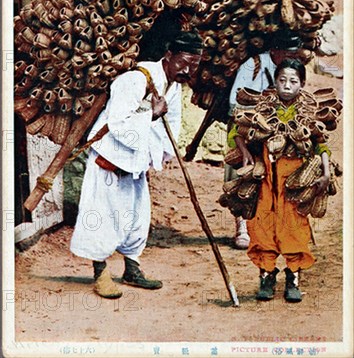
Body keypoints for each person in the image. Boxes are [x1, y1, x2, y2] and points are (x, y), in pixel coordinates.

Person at [70, 30, 203, 298]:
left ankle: (132, 269)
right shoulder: (135, 80)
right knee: (102, 218)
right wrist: (151, 115)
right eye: (184, 62)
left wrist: (164, 153)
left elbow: (171, 123)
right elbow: (117, 123)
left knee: (136, 218)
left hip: (135, 162)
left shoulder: (173, 86)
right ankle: (100, 274)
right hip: (110, 158)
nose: (187, 70)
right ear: (169, 55)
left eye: (194, 66)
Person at [234, 58, 330, 302]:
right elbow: (238, 131)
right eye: (282, 80)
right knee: (262, 225)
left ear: (302, 84)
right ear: (275, 82)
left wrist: (326, 173)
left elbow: (321, 145)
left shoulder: (308, 111)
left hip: (295, 183)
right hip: (266, 178)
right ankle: (266, 276)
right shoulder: (262, 107)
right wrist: (245, 153)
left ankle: (293, 277)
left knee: (294, 226)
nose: (287, 85)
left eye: (293, 81)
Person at [225, 33, 307, 249]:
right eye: (289, 54)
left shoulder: (290, 70)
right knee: (243, 175)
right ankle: (242, 226)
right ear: (276, 51)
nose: (293, 58)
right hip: (247, 128)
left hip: (277, 132)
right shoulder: (253, 66)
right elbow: (235, 107)